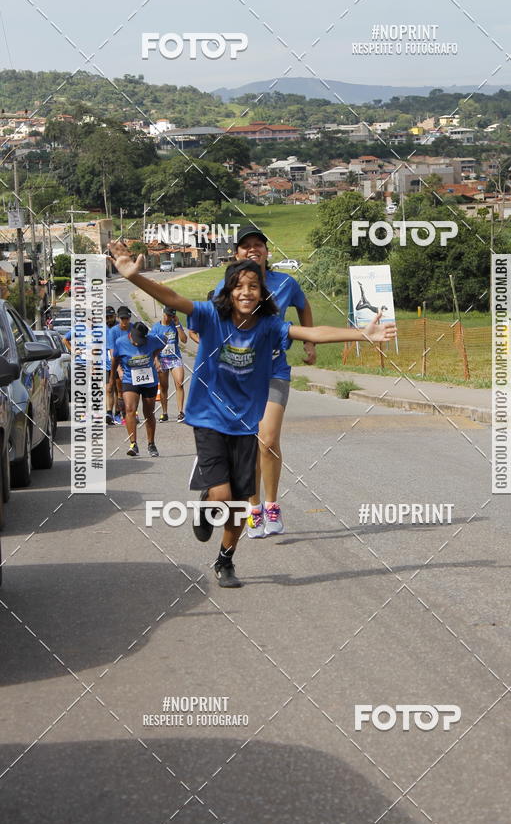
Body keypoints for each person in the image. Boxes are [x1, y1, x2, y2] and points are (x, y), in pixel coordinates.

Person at [107, 240, 396, 589]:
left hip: (246, 422)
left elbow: (311, 332)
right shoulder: (210, 315)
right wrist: (134, 277)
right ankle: (209, 500)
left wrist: (362, 334)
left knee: (240, 505)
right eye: (239, 286)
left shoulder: (269, 326)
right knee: (223, 496)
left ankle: (225, 559)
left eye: (254, 286)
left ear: (262, 293)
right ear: (228, 291)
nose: (246, 292)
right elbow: (171, 298)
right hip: (210, 417)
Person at [212, 223, 316, 539]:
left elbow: (304, 306)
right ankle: (253, 507)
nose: (253, 249)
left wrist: (309, 342)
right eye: (246, 245)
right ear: (236, 253)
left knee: (267, 439)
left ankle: (271, 505)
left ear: (267, 252)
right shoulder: (226, 285)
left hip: (274, 371)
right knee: (250, 442)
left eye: (259, 244)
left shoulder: (285, 283)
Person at [110, 320, 164, 458]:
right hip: (130, 379)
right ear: (131, 334)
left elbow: (164, 341)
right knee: (129, 409)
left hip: (148, 380)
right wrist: (112, 378)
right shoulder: (120, 342)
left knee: (148, 412)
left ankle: (151, 444)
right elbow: (115, 360)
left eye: (141, 340)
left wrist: (154, 356)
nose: (137, 343)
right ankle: (133, 444)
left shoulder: (152, 340)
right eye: (136, 340)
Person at [150, 306, 187, 422]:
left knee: (180, 383)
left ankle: (181, 412)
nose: (170, 317)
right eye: (168, 315)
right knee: (164, 387)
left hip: (175, 358)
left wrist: (177, 324)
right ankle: (164, 412)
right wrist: (156, 361)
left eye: (172, 315)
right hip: (162, 360)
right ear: (163, 313)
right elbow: (152, 346)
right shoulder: (156, 328)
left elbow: (184, 340)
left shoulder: (175, 324)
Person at [108, 306, 133, 424]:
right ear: (119, 318)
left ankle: (131, 413)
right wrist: (118, 369)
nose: (124, 321)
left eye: (127, 318)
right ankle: (121, 414)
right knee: (119, 390)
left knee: (133, 391)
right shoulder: (114, 331)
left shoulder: (133, 328)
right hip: (118, 363)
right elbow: (113, 351)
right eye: (122, 319)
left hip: (132, 363)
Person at [105, 305, 117, 423]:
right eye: (106, 317)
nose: (109, 319)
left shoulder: (120, 326)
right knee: (108, 389)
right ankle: (109, 413)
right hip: (105, 363)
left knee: (119, 390)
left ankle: (118, 412)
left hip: (119, 363)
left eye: (110, 316)